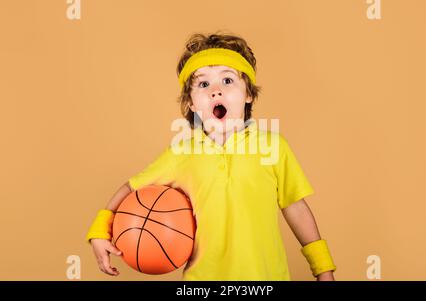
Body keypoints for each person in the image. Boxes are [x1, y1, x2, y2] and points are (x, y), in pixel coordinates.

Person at [86, 32, 336, 281]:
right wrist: (100, 231)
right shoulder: (180, 153)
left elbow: (295, 207)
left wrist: (323, 268)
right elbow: (130, 188)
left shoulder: (273, 146)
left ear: (248, 94)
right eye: (203, 84)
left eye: (228, 81)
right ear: (192, 103)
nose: (216, 91)